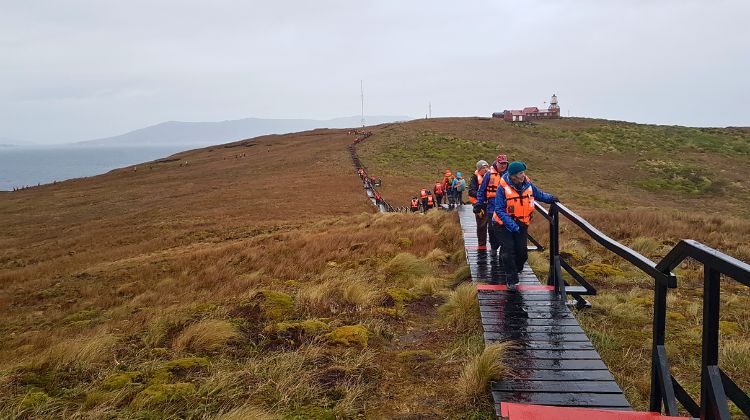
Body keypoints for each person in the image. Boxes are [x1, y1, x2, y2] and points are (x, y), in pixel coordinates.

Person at [492, 161, 558, 289]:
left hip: (521, 225)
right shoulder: (502, 188)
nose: (523, 175)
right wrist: (512, 225)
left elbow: (539, 195)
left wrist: (552, 198)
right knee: (509, 250)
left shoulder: (527, 184)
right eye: (521, 173)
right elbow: (499, 210)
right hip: (501, 225)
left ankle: (514, 268)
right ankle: (511, 280)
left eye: (523, 172)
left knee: (522, 253)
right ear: (513, 176)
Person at [474, 154, 509, 255]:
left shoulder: (510, 175)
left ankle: (504, 250)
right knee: (492, 229)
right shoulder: (488, 175)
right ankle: (494, 248)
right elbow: (481, 191)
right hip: (491, 207)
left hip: (506, 208)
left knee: (506, 228)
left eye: (505, 163)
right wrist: (479, 204)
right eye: (501, 163)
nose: (503, 166)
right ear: (496, 163)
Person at [468, 160, 490, 247]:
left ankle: (494, 247)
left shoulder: (492, 177)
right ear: (479, 169)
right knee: (481, 226)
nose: (485, 169)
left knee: (494, 227)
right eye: (483, 168)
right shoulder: (474, 178)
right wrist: (482, 196)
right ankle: (482, 246)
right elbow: (471, 191)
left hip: (491, 205)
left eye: (486, 167)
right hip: (480, 206)